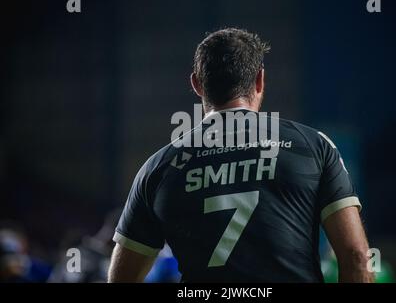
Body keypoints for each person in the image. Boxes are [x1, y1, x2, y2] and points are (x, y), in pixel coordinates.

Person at [108, 28, 373, 282]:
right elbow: (356, 258)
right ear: (259, 80)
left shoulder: (157, 169)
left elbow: (121, 279)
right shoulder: (313, 147)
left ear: (197, 84)